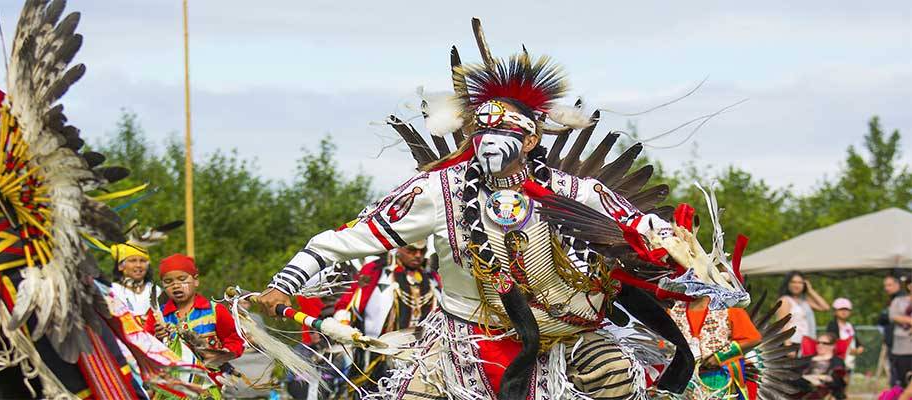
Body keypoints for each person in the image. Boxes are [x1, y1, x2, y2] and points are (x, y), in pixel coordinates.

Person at [256, 27, 702, 399]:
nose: (491, 140)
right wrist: (283, 285)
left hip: (565, 338)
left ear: (530, 141)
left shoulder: (571, 191)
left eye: (505, 130)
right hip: (463, 343)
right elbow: (347, 238)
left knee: (616, 381)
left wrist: (688, 260)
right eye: (483, 129)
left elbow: (650, 230)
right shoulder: (436, 191)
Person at [333, 240, 440, 391]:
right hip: (379, 353)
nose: (417, 255)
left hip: (420, 355)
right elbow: (349, 302)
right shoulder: (377, 269)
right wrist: (343, 325)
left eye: (422, 252)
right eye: (411, 250)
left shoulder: (431, 277)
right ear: (399, 248)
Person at [148, 254, 245, 399]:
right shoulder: (156, 315)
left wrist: (221, 354)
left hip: (208, 387)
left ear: (196, 280)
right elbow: (143, 345)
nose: (176, 286)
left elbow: (235, 341)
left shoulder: (214, 311)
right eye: (169, 281)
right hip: (169, 390)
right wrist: (157, 338)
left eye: (182, 279)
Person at [109, 242, 161, 327]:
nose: (138, 265)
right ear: (120, 266)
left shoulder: (155, 290)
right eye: (132, 261)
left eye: (143, 261)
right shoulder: (113, 290)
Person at [776, 271, 830, 346]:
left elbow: (825, 307)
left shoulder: (804, 301)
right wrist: (787, 345)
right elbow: (782, 324)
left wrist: (810, 290)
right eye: (793, 282)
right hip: (791, 343)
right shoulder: (785, 300)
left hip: (806, 342)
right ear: (788, 284)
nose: (796, 285)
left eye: (800, 282)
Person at [881, 274, 907, 386]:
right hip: (892, 344)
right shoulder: (892, 299)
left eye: (889, 285)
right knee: (895, 377)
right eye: (885, 285)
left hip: (903, 347)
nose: (887, 288)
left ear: (898, 285)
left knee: (901, 378)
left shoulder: (902, 300)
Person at [825, 298, 864, 371]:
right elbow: (832, 343)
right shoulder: (832, 325)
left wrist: (860, 347)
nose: (844, 311)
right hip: (837, 361)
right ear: (835, 311)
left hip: (850, 359)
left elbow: (855, 340)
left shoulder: (850, 325)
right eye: (841, 309)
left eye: (846, 309)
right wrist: (848, 350)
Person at [890, 278, 912, 389]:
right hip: (902, 348)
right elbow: (893, 316)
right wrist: (909, 321)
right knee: (904, 382)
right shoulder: (898, 301)